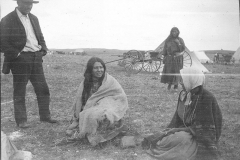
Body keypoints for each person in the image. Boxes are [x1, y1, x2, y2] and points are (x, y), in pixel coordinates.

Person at [0, 0, 57, 128]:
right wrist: (17, 55)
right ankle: (21, 121)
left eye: (31, 4)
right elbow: (2, 42)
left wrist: (43, 49)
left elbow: (40, 36)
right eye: (26, 3)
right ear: (19, 3)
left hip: (36, 58)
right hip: (20, 60)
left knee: (43, 89)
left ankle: (45, 116)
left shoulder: (34, 18)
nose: (29, 6)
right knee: (19, 91)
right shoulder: (7, 19)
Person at [145, 67, 222, 160]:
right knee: (164, 140)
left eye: (183, 79)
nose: (180, 82)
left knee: (180, 139)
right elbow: (177, 117)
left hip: (199, 136)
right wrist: (168, 131)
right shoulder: (184, 94)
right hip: (185, 130)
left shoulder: (206, 98)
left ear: (192, 80)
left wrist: (175, 131)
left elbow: (204, 129)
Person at [66, 57, 129, 146]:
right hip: (92, 105)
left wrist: (102, 103)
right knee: (88, 114)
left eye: (101, 67)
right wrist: (77, 117)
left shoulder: (109, 80)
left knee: (101, 114)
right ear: (90, 69)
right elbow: (80, 98)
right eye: (96, 68)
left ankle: (95, 135)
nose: (99, 70)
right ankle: (87, 131)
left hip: (110, 103)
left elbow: (120, 95)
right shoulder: (86, 81)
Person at [161, 27, 185, 91]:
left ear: (178, 32)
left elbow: (182, 49)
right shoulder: (168, 40)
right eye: (173, 32)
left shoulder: (180, 40)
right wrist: (164, 56)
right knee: (169, 71)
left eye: (175, 31)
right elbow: (165, 49)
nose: (174, 33)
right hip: (169, 58)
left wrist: (178, 43)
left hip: (177, 58)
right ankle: (169, 84)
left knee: (176, 72)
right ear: (171, 32)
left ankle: (176, 86)